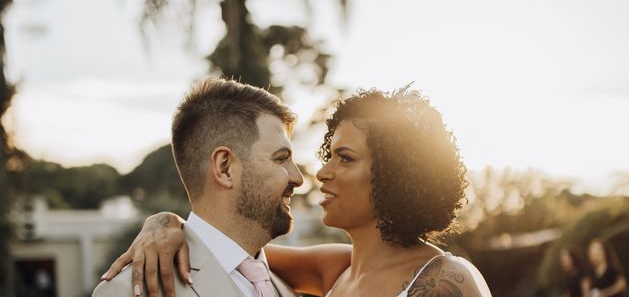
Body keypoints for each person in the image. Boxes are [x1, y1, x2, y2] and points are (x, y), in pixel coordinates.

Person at [103, 86, 492, 296]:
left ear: (395, 175)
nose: (318, 174)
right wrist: (165, 223)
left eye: (345, 158)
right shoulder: (337, 269)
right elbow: (228, 248)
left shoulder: (443, 281)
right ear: (224, 166)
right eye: (330, 155)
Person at [93, 78, 309, 297]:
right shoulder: (127, 292)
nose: (298, 178)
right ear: (225, 168)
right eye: (281, 159)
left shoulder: (285, 288)